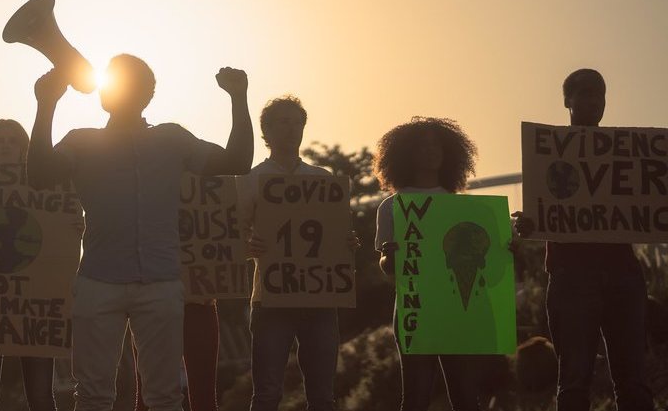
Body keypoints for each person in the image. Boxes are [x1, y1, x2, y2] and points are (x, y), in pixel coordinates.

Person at [27, 54, 253, 411]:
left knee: (163, 396)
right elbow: (38, 175)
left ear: (148, 95)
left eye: (132, 84)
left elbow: (238, 163)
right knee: (93, 396)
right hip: (99, 282)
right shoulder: (81, 142)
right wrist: (46, 105)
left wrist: (238, 98)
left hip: (160, 283)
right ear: (104, 94)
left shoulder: (172, 138)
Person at [513, 69, 653, 411]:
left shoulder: (628, 156)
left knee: (633, 381)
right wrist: (528, 223)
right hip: (571, 276)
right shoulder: (547, 157)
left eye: (599, 95)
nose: (593, 102)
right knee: (574, 383)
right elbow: (543, 212)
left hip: (622, 274)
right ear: (567, 101)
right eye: (585, 94)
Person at [239, 96, 360, 411]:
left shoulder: (322, 178)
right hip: (270, 296)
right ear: (267, 130)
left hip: (319, 297)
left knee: (322, 396)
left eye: (297, 123)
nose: (292, 130)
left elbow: (334, 236)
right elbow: (232, 235)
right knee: (266, 394)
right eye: (283, 122)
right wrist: (247, 246)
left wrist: (347, 244)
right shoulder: (252, 180)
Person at [373, 116, 481, 411]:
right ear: (407, 154)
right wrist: (389, 256)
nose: (431, 151)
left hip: (455, 307)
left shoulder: (460, 206)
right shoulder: (391, 206)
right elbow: (386, 265)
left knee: (466, 396)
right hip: (413, 308)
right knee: (416, 397)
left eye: (437, 145)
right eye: (422, 146)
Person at [0, 119, 58, 411]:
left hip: (34, 308)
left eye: (12, 141)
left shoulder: (47, 190)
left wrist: (73, 228)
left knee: (42, 397)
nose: (5, 146)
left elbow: (57, 243)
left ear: (25, 150)